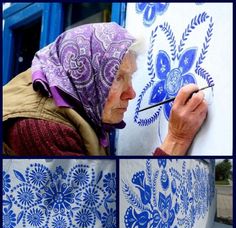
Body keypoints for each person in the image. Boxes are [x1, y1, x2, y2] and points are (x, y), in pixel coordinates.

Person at [3, 23, 208, 157]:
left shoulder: (78, 101)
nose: (131, 94)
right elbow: (99, 216)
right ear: (83, 73)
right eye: (117, 77)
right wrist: (176, 140)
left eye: (130, 77)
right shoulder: (43, 128)